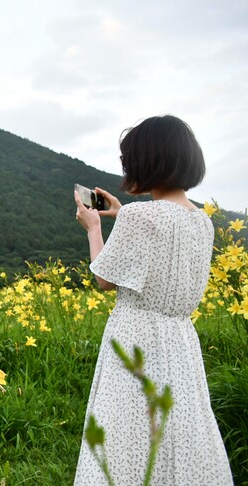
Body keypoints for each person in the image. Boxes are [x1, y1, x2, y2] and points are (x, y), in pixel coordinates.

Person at [73, 115, 233, 485]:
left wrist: (94, 227)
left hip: (137, 337)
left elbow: (104, 279)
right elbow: (164, 239)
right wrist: (123, 214)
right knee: (178, 432)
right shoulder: (202, 222)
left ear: (147, 162)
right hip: (180, 341)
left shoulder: (141, 217)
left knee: (127, 431)